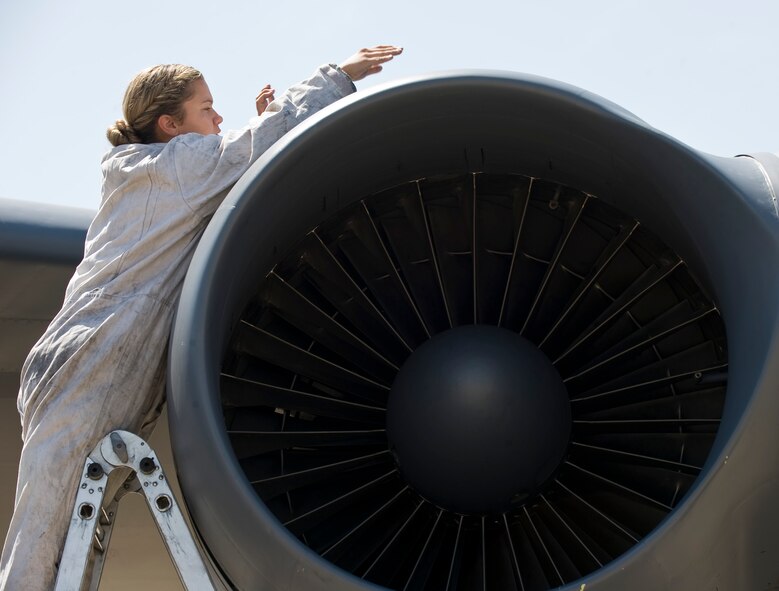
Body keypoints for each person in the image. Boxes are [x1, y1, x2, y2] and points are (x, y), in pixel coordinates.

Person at [0, 45, 403, 590]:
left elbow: (233, 160)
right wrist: (336, 76)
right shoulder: (175, 169)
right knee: (40, 536)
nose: (218, 119)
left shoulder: (161, 171)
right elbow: (250, 148)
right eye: (207, 109)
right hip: (91, 356)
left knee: (63, 525)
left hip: (89, 353)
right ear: (170, 125)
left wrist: (257, 125)